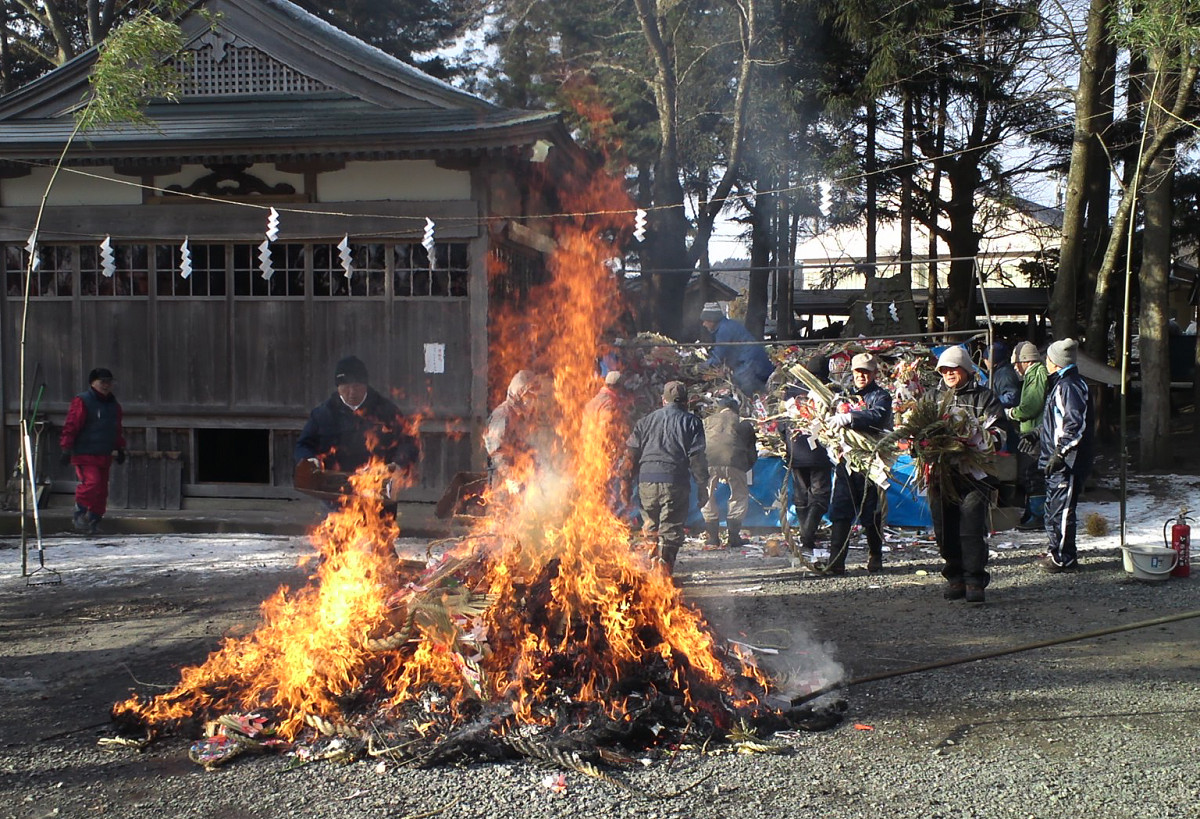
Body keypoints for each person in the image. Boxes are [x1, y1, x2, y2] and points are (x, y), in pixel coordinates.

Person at [929, 346, 1010, 603]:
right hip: (941, 474)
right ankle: (955, 577)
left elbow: (1000, 433)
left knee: (970, 527)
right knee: (944, 528)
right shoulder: (931, 397)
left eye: (954, 369)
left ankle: (975, 580)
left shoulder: (985, 398)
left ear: (966, 370)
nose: (949, 373)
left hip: (975, 476)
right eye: (945, 369)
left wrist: (979, 439)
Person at [295, 356, 419, 502]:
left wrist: (398, 465)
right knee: (335, 524)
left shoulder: (386, 410)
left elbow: (409, 442)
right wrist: (309, 460)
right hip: (335, 491)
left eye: (357, 387)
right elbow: (303, 444)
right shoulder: (323, 413)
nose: (352, 392)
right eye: (346, 387)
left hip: (377, 489)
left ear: (365, 385)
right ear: (338, 387)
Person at [626, 381, 709, 573]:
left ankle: (650, 571)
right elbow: (697, 458)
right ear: (686, 402)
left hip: (646, 481)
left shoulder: (645, 421)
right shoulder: (692, 422)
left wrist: (625, 481)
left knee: (651, 528)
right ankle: (663, 575)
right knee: (670, 530)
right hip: (675, 481)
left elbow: (631, 455)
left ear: (663, 400)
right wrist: (702, 486)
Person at [823, 353, 892, 574]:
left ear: (873, 374)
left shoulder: (881, 396)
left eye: (865, 372)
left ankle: (875, 554)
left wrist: (851, 418)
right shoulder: (845, 396)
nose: (861, 376)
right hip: (847, 461)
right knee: (841, 509)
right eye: (857, 372)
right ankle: (836, 562)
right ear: (852, 373)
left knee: (870, 512)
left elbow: (878, 416)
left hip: (870, 462)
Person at [1039, 338, 1094, 573]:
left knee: (1061, 510)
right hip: (1059, 458)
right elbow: (1057, 423)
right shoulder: (1063, 384)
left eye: (1047, 358)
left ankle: (1064, 557)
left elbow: (1074, 425)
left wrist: (1060, 453)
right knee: (1054, 508)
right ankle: (1057, 550)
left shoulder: (1068, 386)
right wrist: (1036, 434)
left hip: (1067, 461)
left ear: (1055, 362)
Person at [59, 367, 126, 535]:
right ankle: (80, 513)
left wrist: (120, 447)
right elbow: (72, 424)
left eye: (109, 382)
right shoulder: (83, 401)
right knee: (92, 483)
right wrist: (66, 447)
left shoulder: (113, 405)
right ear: (92, 383)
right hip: (85, 452)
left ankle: (94, 520)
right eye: (102, 382)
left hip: (103, 452)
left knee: (102, 490)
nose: (106, 385)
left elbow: (116, 428)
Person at [782, 356, 833, 555]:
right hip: (819, 451)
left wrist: (787, 445)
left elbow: (781, 423)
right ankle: (807, 534)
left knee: (801, 495)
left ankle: (806, 534)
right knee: (820, 495)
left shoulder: (791, 392)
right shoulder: (828, 391)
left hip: (796, 450)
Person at [483, 369, 558, 496]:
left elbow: (523, 445)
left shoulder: (521, 416)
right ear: (519, 394)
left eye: (535, 396)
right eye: (530, 396)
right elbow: (497, 453)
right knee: (502, 512)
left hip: (519, 473)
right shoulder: (503, 415)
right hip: (503, 479)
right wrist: (511, 478)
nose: (533, 400)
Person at [700, 395, 757, 549]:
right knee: (739, 496)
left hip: (709, 461)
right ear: (735, 409)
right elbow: (752, 452)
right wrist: (743, 469)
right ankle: (733, 537)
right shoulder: (743, 423)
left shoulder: (707, 421)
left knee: (708, 496)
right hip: (735, 461)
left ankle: (712, 538)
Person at [1007, 341, 1049, 529]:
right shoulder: (1034, 374)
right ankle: (1031, 512)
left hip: (1036, 433)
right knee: (1029, 474)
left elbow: (1031, 406)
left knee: (1033, 474)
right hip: (1031, 432)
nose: (1016, 367)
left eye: (1017, 363)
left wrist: (1013, 413)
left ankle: (1038, 516)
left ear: (1026, 361)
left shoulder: (1037, 374)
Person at [583, 370, 635, 519]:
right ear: (618, 387)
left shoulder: (593, 401)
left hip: (588, 450)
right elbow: (605, 427)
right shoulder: (609, 403)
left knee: (593, 486)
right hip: (601, 452)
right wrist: (612, 448)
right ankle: (602, 518)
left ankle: (593, 517)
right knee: (605, 487)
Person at [699, 303, 775, 397]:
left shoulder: (724, 330)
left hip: (750, 364)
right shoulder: (728, 325)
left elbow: (719, 356)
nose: (704, 324)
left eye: (705, 321)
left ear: (712, 319)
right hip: (755, 362)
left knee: (744, 392)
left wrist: (701, 366)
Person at [984, 341, 1020, 408]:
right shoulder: (997, 373)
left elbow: (1012, 397)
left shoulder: (1005, 374)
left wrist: (991, 401)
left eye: (985, 358)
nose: (984, 361)